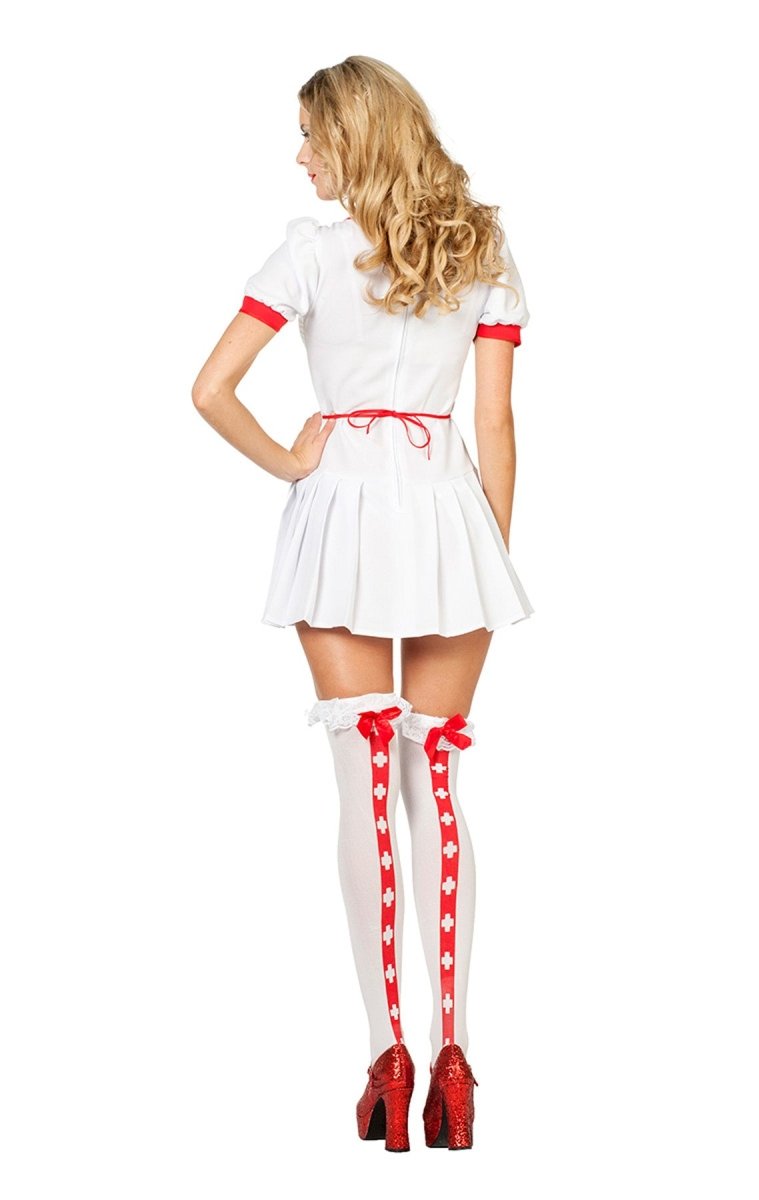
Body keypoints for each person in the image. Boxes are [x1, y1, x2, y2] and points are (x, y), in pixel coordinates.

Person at [192, 55, 534, 1152]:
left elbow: (209, 390)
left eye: (312, 135)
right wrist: (488, 553)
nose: (300, 157)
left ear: (355, 137)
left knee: (366, 782)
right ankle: (454, 1059)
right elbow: (493, 425)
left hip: (338, 514)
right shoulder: (481, 246)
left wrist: (292, 463)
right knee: (436, 782)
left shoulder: (308, 253)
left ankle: (387, 1056)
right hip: (448, 517)